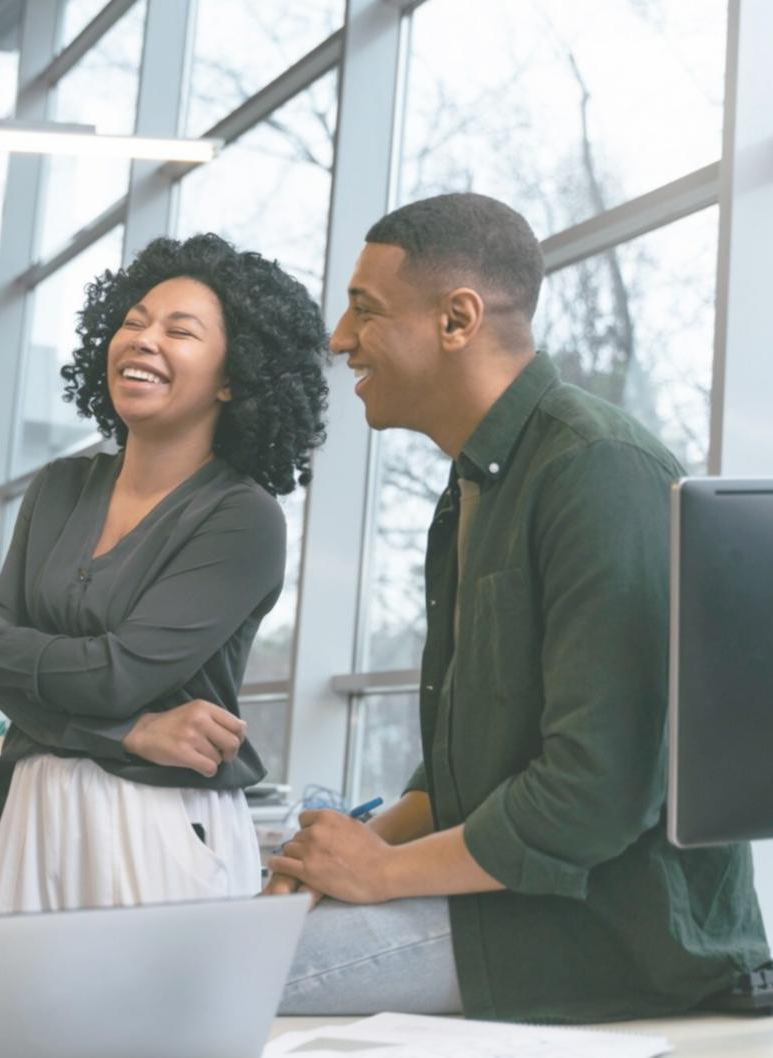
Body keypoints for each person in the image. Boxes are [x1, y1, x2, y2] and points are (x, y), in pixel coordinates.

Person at [266, 191, 770, 1022]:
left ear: (457, 320)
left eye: (366, 310)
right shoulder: (475, 487)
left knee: (213, 982)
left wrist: (382, 872)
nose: (340, 338)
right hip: (504, 907)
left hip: (604, 936)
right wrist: (347, 851)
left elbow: (594, 792)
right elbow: (467, 772)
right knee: (228, 946)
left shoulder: (596, 469)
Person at [0, 232, 330, 912]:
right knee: (21, 989)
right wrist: (130, 733)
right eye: (134, 322)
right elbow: (5, 678)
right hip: (36, 805)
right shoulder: (59, 486)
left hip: (160, 820)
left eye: (179, 331)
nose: (143, 340)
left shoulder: (242, 517)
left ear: (234, 377)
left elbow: (116, 674)